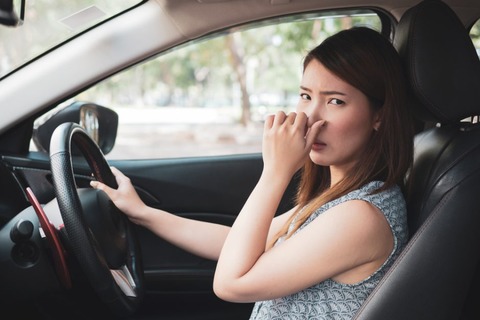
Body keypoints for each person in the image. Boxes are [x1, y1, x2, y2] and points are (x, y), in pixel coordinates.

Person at [91, 26, 414, 319]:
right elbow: (240, 244)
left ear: (379, 117)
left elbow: (232, 283)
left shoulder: (361, 216)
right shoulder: (340, 197)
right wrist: (144, 214)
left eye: (336, 102)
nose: (310, 117)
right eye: (305, 96)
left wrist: (276, 171)